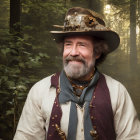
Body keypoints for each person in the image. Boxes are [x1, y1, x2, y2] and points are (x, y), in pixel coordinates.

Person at [14, 7, 140, 140]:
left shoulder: (117, 92)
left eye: (82, 45)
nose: (73, 52)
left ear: (97, 52)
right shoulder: (40, 91)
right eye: (68, 44)